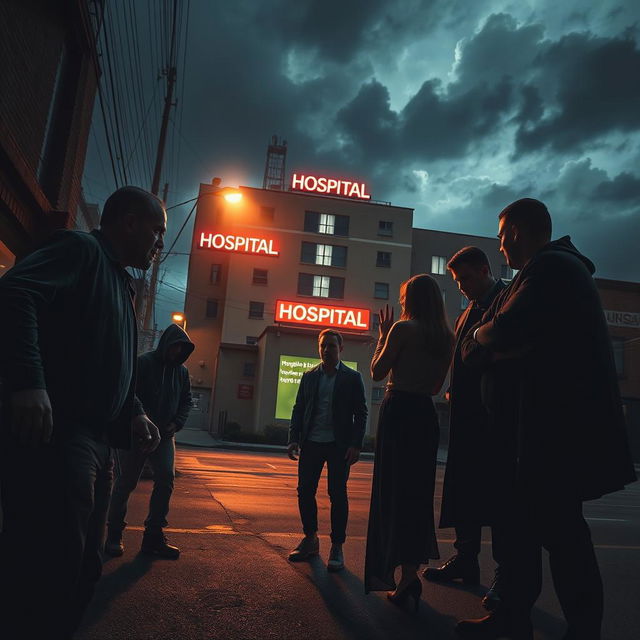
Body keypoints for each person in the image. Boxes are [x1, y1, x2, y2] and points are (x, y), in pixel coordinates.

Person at [457, 198, 637, 639]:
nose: (500, 247)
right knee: (526, 534)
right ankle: (513, 619)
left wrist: (490, 333)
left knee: (561, 538)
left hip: (550, 436)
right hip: (537, 434)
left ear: (516, 231)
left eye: (501, 236)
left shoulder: (549, 269)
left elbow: (499, 332)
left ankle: (578, 630)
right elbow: (493, 342)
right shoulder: (546, 272)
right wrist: (496, 337)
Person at [0, 186, 166, 639]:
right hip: (60, 435)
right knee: (49, 564)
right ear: (128, 222)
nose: (160, 244)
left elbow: (109, 360)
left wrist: (134, 412)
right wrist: (29, 383)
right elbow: (15, 293)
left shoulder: (121, 284)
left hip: (99, 444)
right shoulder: (80, 250)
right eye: (156, 231)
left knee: (85, 568)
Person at [424, 247, 507, 611]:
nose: (462, 288)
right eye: (457, 282)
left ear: (485, 270)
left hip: (496, 419)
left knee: (502, 499)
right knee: (465, 491)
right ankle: (466, 559)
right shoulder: (467, 313)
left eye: (466, 279)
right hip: (467, 418)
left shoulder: (506, 299)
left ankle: (505, 574)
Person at [365, 274, 454, 610]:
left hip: (399, 411)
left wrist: (382, 336)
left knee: (392, 494)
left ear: (412, 299)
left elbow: (376, 371)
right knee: (416, 497)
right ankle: (409, 577)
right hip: (424, 417)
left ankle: (403, 579)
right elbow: (434, 388)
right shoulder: (446, 336)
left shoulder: (402, 329)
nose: (401, 303)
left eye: (404, 298)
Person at [106, 323, 194, 559]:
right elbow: (128, 391)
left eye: (182, 349)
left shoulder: (182, 372)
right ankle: (114, 534)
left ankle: (153, 537)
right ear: (166, 343)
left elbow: (187, 400)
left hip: (165, 436)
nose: (177, 352)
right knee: (126, 483)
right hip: (138, 435)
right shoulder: (143, 363)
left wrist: (176, 423)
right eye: (175, 346)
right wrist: (140, 418)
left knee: (166, 478)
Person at [287, 329, 367, 572]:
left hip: (338, 446)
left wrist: (355, 444)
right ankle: (310, 539)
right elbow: (299, 408)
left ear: (340, 349)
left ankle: (337, 546)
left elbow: (361, 413)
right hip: (311, 443)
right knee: (304, 491)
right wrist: (293, 438)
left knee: (337, 494)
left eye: (331, 346)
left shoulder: (352, 378)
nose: (326, 350)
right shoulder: (309, 376)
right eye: (323, 346)